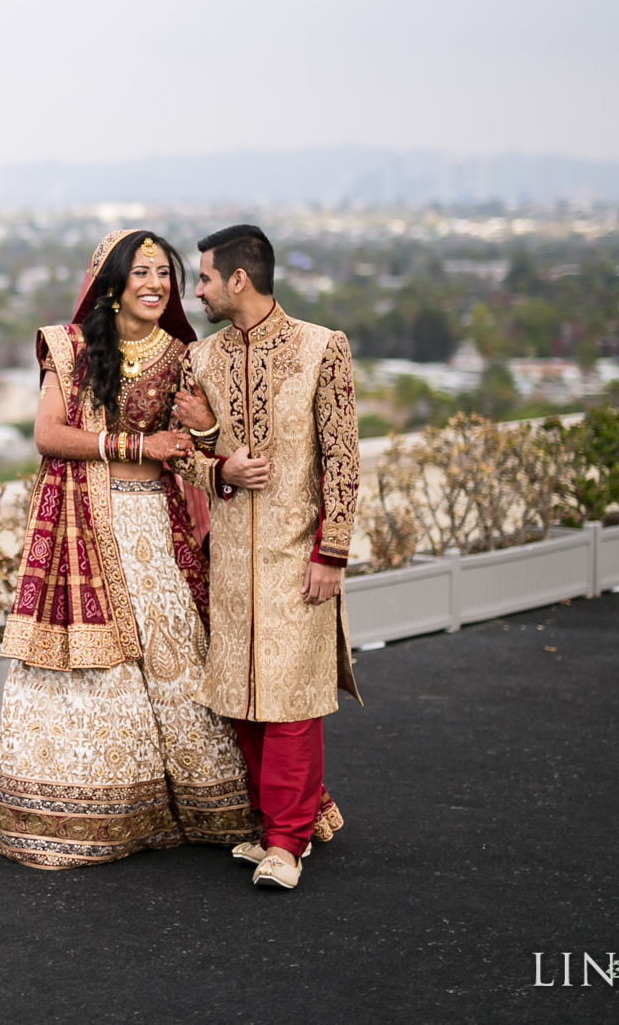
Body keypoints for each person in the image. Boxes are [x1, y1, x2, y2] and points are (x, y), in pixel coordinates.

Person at [0, 229, 261, 869]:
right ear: (111, 282)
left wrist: (210, 436)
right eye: (140, 272)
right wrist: (138, 447)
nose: (155, 285)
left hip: (155, 530)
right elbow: (49, 435)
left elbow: (192, 454)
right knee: (94, 667)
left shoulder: (182, 356)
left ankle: (205, 805)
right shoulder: (73, 347)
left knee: (175, 656)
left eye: (164, 273)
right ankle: (94, 813)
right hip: (85, 526)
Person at [171, 224, 359, 892]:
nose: (196, 290)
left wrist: (331, 552)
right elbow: (185, 461)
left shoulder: (320, 348)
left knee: (289, 699)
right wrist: (218, 460)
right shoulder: (203, 359)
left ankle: (286, 842)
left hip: (296, 554)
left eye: (204, 278)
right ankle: (285, 821)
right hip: (231, 562)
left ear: (239, 279)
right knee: (242, 698)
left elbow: (343, 458)